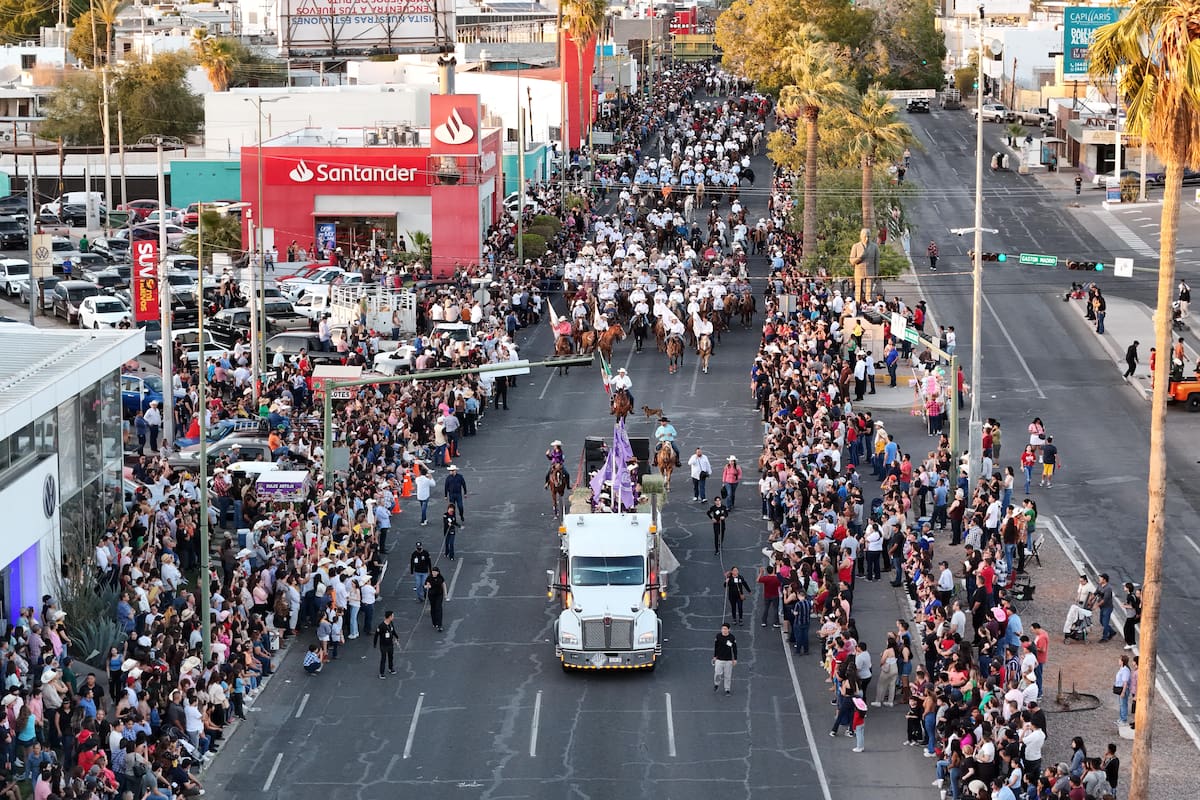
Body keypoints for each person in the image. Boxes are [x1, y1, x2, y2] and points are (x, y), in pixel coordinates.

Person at [712, 623, 737, 695]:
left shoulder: (732, 637)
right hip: (719, 659)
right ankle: (716, 684)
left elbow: (734, 649)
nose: (724, 630)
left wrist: (735, 659)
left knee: (728, 675)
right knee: (717, 673)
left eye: (725, 629)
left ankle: (727, 689)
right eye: (722, 629)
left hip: (728, 660)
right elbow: (716, 647)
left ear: (729, 629)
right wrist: (714, 656)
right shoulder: (718, 636)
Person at [373, 610, 398, 678]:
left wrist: (396, 637)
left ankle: (391, 668)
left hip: (390, 644)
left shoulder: (391, 623)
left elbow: (393, 631)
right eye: (392, 616)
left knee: (391, 657)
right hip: (383, 645)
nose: (393, 617)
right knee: (383, 659)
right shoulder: (381, 626)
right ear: (389, 617)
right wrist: (375, 643)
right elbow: (376, 635)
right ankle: (381, 673)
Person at [1095, 572, 1116, 642]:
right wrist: (1089, 600)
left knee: (1105, 622)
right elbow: (1095, 593)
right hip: (1102, 607)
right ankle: (1112, 632)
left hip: (1107, 607)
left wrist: (1096, 605)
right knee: (1102, 621)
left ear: (1104, 580)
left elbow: (1104, 600)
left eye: (1100, 578)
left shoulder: (1108, 588)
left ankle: (1105, 637)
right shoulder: (1100, 585)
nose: (1099, 579)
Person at [425, 566, 446, 632]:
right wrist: (428, 586)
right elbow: (425, 585)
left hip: (439, 595)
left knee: (438, 608)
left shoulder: (440, 577)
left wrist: (445, 594)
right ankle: (434, 622)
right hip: (432, 595)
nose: (433, 573)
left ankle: (440, 625)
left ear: (438, 572)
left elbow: (444, 584)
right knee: (433, 608)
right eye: (432, 572)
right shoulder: (429, 577)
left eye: (435, 572)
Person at [1121, 581, 1141, 649]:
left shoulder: (1130, 596)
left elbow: (1133, 606)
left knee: (1126, 629)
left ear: (1128, 588)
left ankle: (1129, 643)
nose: (1124, 588)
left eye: (1125, 587)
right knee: (1131, 629)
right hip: (1133, 614)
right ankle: (1133, 643)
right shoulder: (1132, 595)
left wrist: (1124, 606)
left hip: (1131, 615)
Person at [1114, 654, 1132, 725]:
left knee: (1123, 704)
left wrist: (1123, 692)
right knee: (1121, 704)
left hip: (1123, 689)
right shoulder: (1122, 668)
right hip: (1120, 688)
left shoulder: (1125, 670)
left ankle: (1123, 720)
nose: (1118, 660)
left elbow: (1125, 682)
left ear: (1122, 661)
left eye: (1119, 659)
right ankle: (1121, 718)